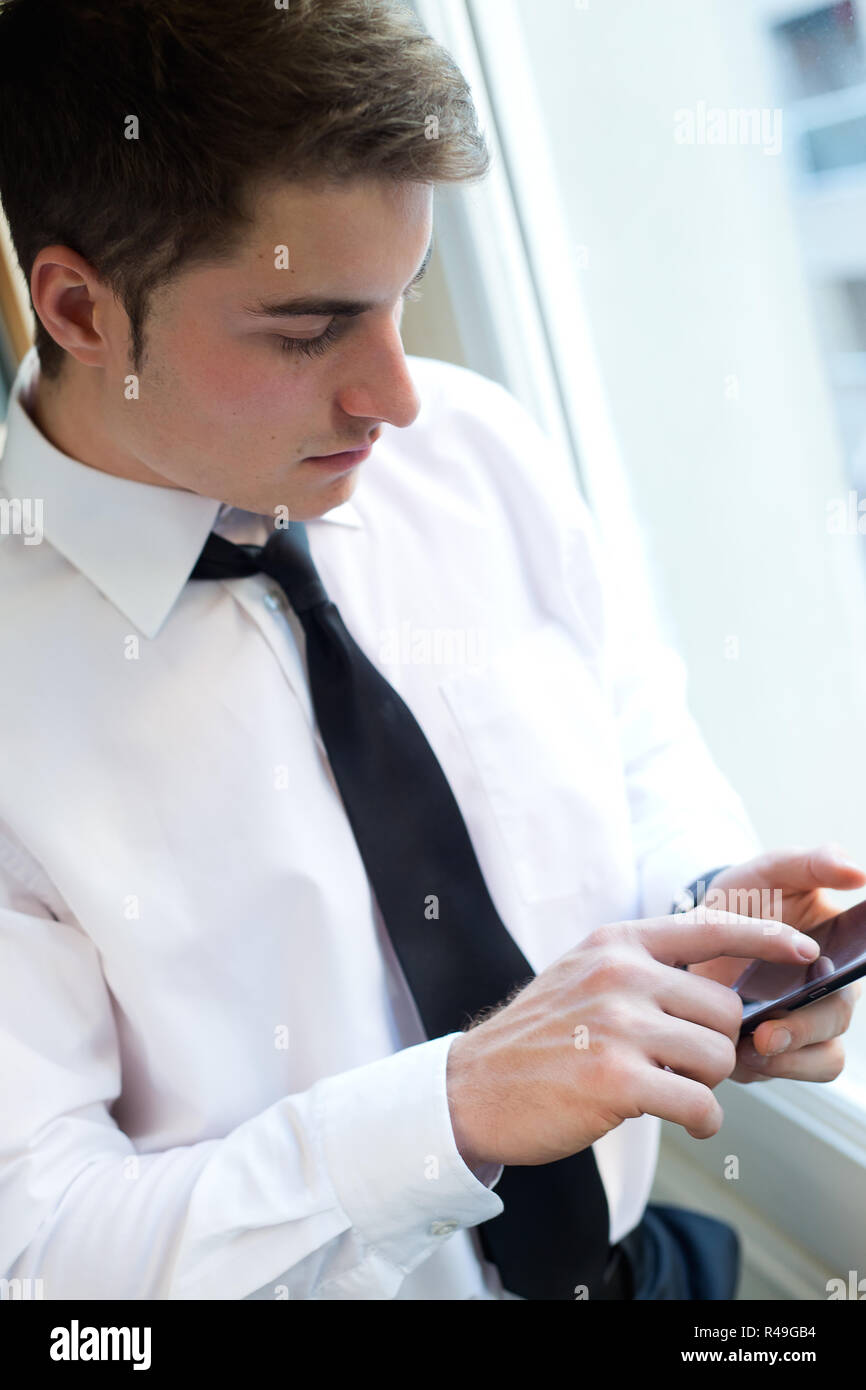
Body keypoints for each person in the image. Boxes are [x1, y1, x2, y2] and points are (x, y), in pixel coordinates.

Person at [0, 0, 860, 1302]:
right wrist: (450, 1109)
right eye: (306, 330)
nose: (397, 396)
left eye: (404, 297)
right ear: (76, 308)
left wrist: (709, 914)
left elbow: (633, 744)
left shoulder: (477, 445)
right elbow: (42, 1251)